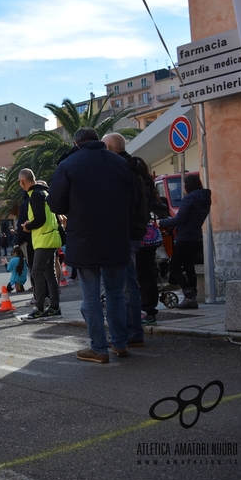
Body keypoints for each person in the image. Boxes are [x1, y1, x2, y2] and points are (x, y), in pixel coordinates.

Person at [48, 127, 137, 363]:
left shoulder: (69, 164)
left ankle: (98, 348)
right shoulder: (119, 163)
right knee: (116, 294)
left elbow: (56, 203)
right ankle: (119, 343)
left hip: (85, 238)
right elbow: (134, 200)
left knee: (90, 296)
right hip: (117, 237)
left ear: (76, 143)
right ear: (99, 141)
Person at [103, 132, 151, 345]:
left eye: (104, 147)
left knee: (125, 285)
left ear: (111, 149)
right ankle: (133, 332)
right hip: (135, 230)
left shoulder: (120, 169)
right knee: (128, 282)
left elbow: (122, 204)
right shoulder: (134, 166)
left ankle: (132, 333)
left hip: (126, 231)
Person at [157, 175, 212, 309]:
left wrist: (160, 223)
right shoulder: (205, 199)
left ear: (188, 186)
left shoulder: (190, 199)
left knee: (174, 267)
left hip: (185, 238)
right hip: (196, 238)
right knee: (189, 267)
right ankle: (192, 298)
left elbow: (179, 219)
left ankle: (189, 296)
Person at [18, 170, 61, 320]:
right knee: (49, 273)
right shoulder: (44, 192)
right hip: (51, 237)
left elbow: (40, 219)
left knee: (36, 272)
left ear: (23, 182)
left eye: (19, 182)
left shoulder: (35, 195)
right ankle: (55, 307)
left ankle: (39, 308)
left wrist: (27, 226)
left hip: (44, 239)